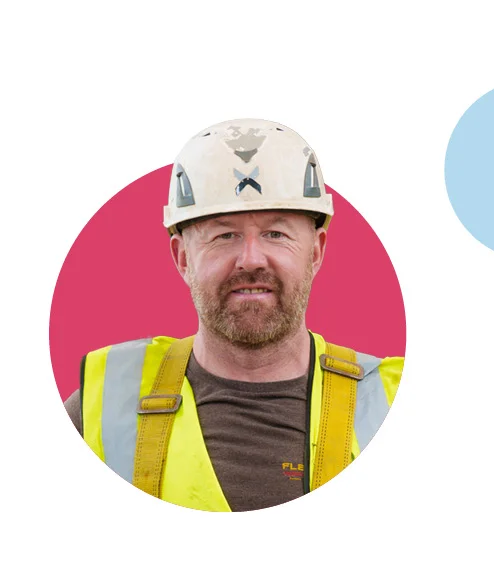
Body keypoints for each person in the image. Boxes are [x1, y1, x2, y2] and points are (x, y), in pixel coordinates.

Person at [64, 120, 403, 511]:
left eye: (277, 233)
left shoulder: (391, 399)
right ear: (183, 257)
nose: (251, 259)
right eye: (225, 235)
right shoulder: (103, 404)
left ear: (315, 252)